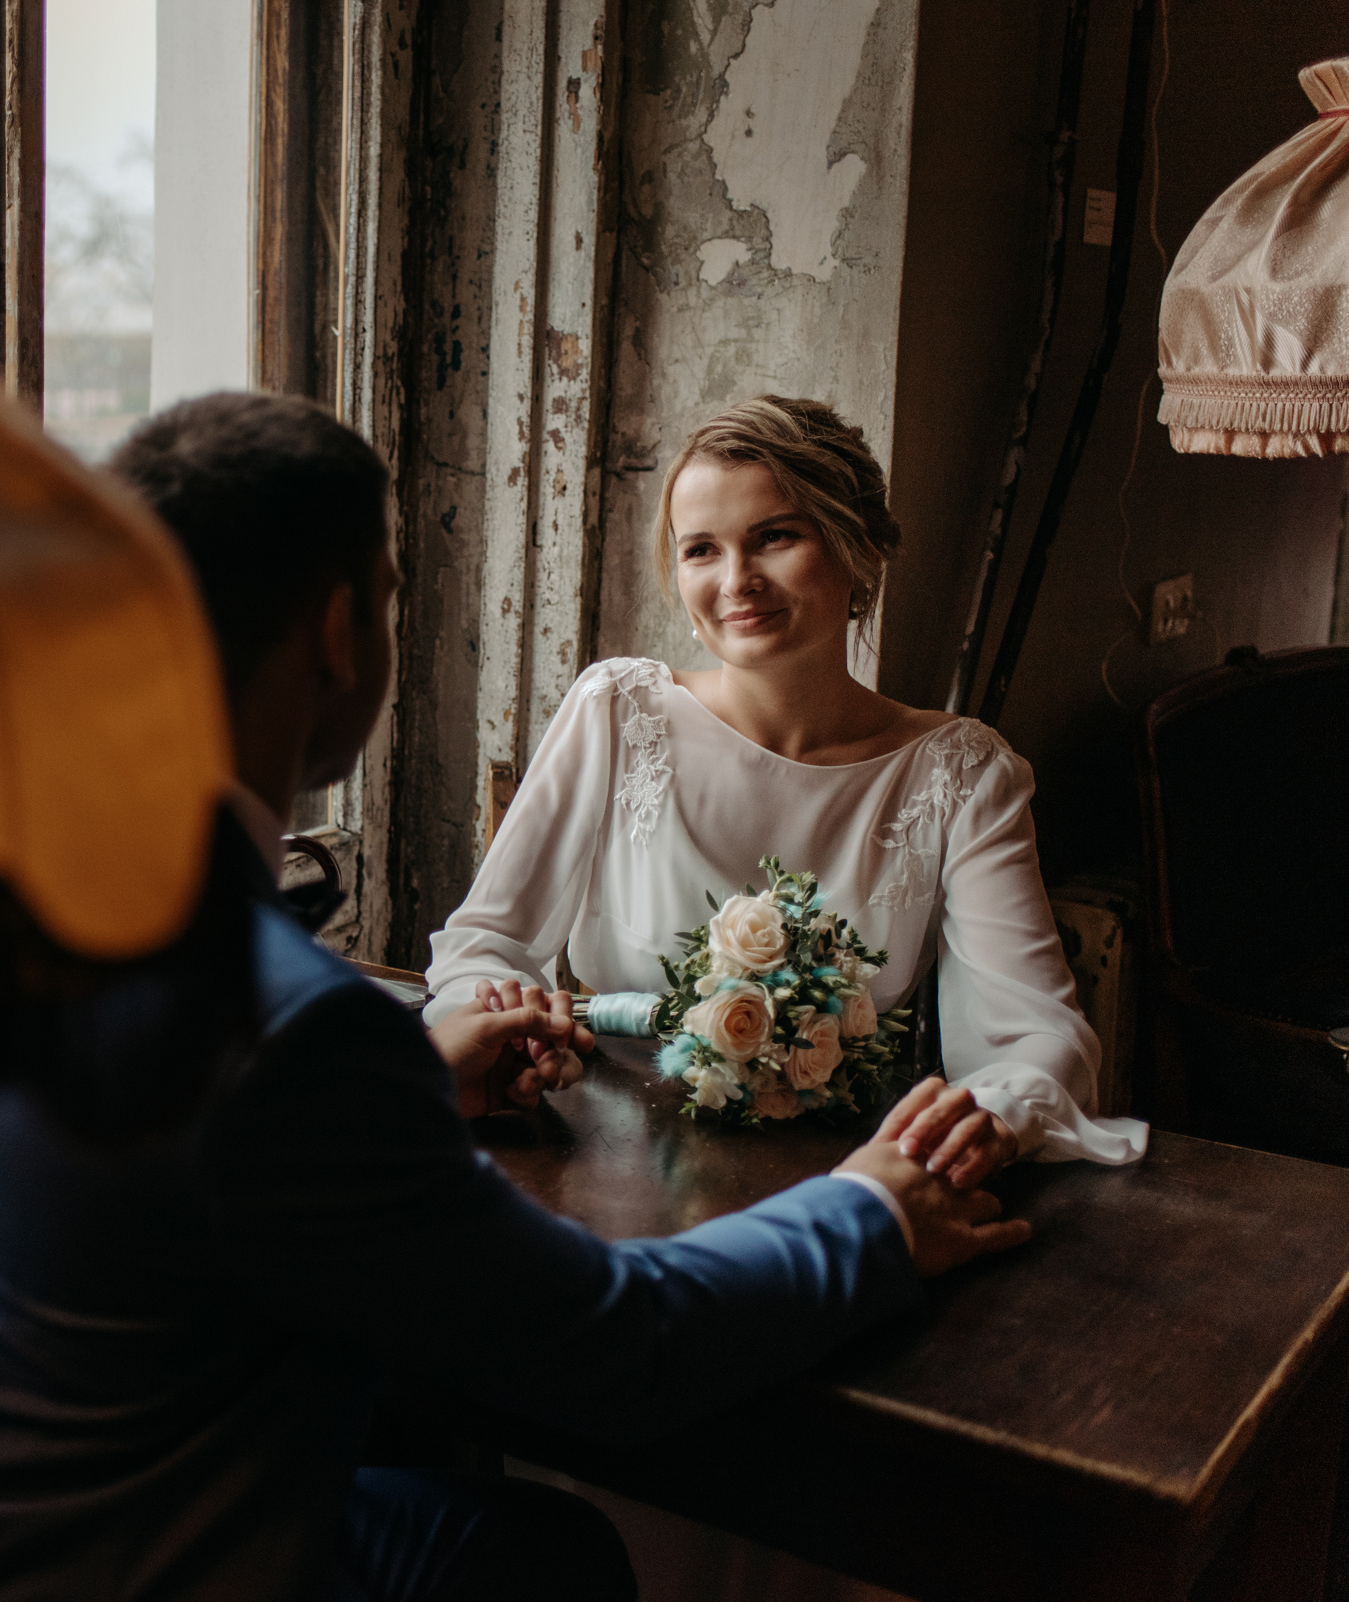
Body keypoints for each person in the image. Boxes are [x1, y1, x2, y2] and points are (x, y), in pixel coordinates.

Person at [0, 392, 1029, 1602]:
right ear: (344, 630)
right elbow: (616, 1348)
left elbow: (166, 1167)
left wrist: (411, 1080)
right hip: (166, 1563)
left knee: (527, 1550)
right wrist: (870, 1215)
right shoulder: (296, 1028)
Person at [425, 396, 1147, 1182]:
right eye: (701, 549)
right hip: (604, 1160)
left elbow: (1039, 1031)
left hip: (844, 1175)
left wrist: (991, 1118)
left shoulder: (960, 773)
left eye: (774, 537)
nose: (737, 581)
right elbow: (482, 945)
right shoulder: (616, 713)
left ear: (858, 547)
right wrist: (511, 1025)